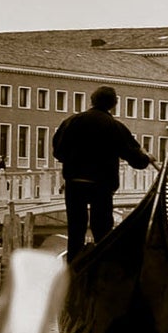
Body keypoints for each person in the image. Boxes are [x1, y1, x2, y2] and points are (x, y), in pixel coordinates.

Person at [50, 86, 153, 258]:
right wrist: (146, 159)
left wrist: (73, 160)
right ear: (114, 104)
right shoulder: (115, 127)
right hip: (102, 185)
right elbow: (135, 159)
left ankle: (73, 269)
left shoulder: (71, 122)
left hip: (75, 182)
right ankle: (101, 266)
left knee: (76, 229)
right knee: (102, 230)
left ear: (92, 100)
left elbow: (58, 151)